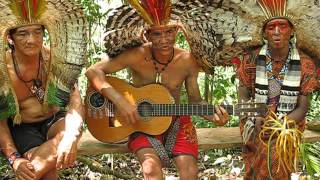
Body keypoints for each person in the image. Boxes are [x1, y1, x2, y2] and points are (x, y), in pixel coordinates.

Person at [86, 1, 229, 180]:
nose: (164, 40)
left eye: (169, 32)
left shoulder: (188, 60)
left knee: (190, 172)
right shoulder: (136, 54)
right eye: (157, 33)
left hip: (177, 122)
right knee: (151, 171)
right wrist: (120, 102)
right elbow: (93, 71)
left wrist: (215, 116)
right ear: (147, 34)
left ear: (177, 31)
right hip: (140, 123)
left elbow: (195, 101)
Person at [0, 1, 87, 179]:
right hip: (22, 128)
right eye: (23, 33)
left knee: (66, 135)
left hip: (55, 120)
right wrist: (14, 158)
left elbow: (75, 102)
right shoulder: (3, 71)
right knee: (47, 174)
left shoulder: (55, 60)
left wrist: (70, 137)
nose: (31, 39)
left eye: (37, 32)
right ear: (11, 38)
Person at [235, 0, 319, 179]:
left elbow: (302, 108)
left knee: (276, 147)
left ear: (292, 30)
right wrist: (254, 115)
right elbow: (242, 96)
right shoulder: (250, 59)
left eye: (282, 26)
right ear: (264, 33)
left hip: (289, 122)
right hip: (254, 118)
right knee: (260, 144)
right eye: (271, 27)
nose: (277, 32)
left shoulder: (305, 64)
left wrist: (281, 124)